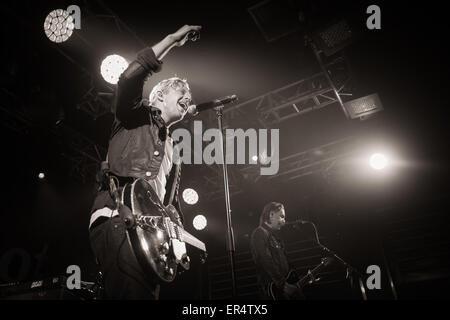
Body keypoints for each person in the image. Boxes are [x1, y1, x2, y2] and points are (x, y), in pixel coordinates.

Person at [88, 25, 201, 300]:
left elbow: (170, 205)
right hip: (117, 217)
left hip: (151, 236)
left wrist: (179, 240)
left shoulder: (173, 148)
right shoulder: (133, 114)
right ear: (160, 95)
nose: (188, 97)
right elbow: (128, 79)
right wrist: (172, 41)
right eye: (181, 90)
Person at [250, 202, 305, 300]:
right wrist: (283, 284)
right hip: (272, 290)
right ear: (271, 214)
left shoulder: (275, 237)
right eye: (282, 216)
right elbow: (265, 260)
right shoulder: (259, 233)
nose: (284, 221)